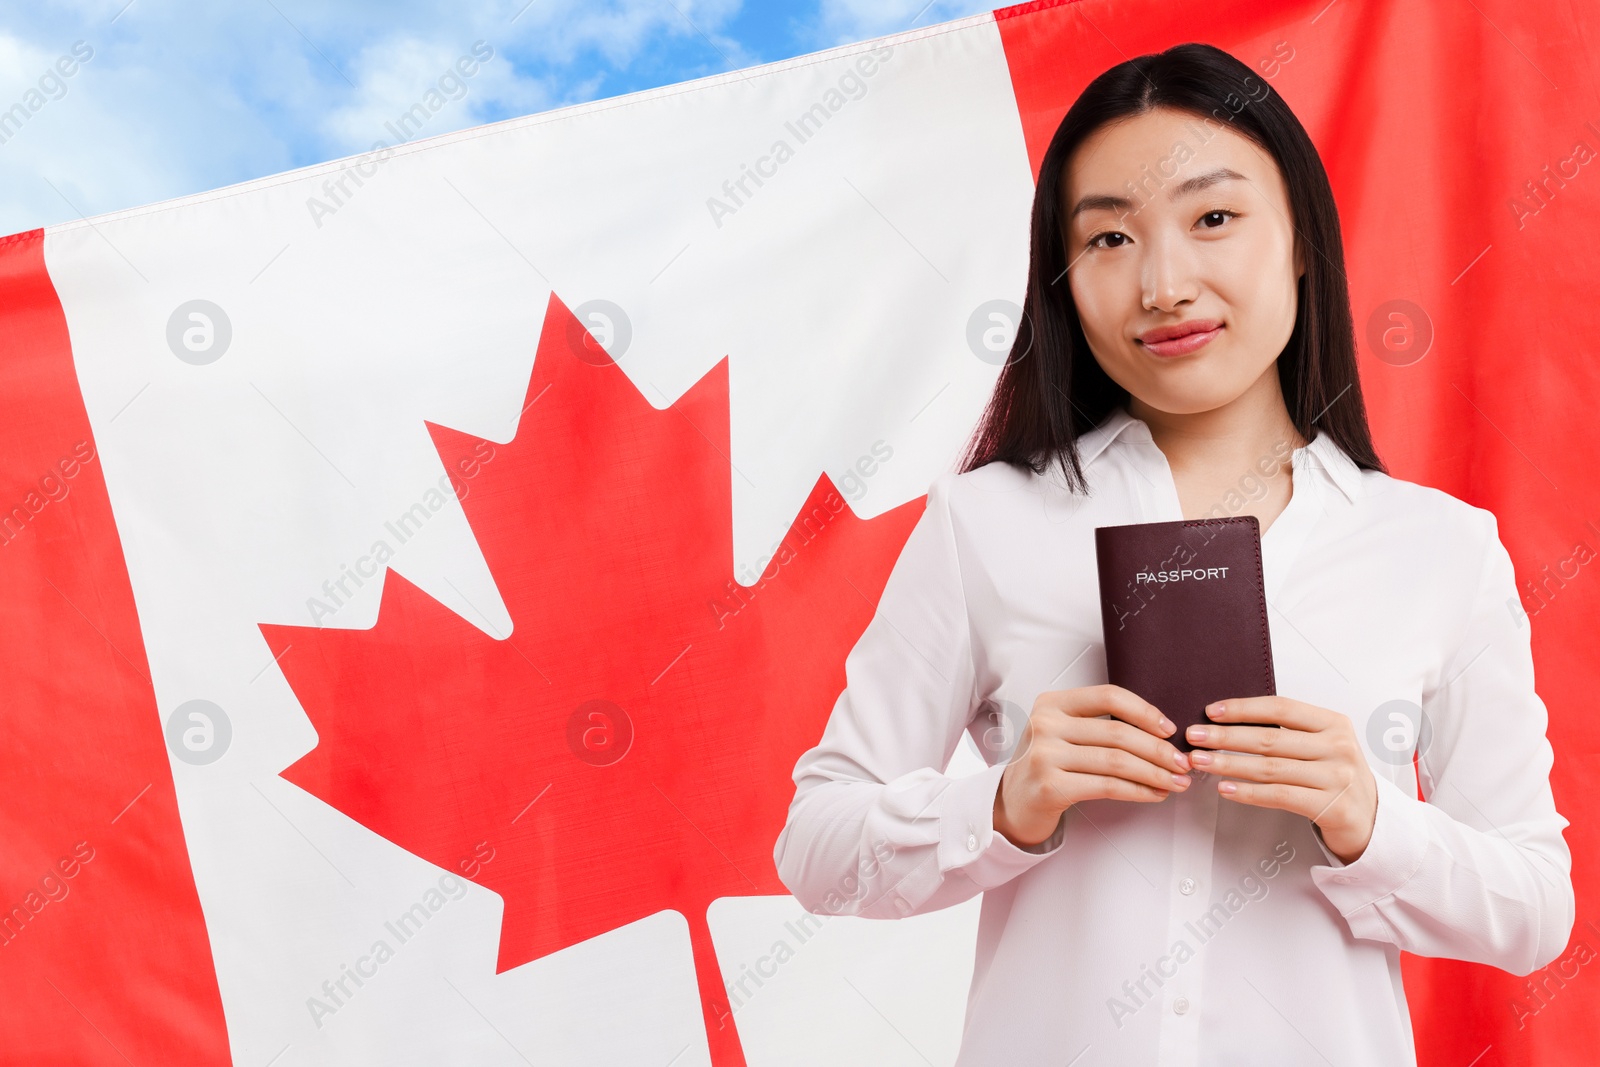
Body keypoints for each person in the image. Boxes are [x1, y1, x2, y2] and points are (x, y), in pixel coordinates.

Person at [772, 41, 1574, 1065]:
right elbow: (815, 851)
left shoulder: (1437, 548)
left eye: (1213, 218)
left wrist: (1366, 815)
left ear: (1297, 241)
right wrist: (1005, 800)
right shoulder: (986, 524)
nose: (1161, 282)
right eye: (1108, 236)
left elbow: (1534, 909)